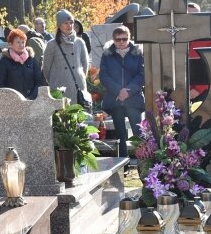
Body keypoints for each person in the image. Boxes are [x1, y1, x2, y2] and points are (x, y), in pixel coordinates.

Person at [99, 25, 145, 157]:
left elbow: (142, 74)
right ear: (113, 40)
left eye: (124, 39)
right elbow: (104, 76)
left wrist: (127, 91)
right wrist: (118, 90)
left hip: (133, 99)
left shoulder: (137, 53)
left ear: (129, 38)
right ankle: (123, 163)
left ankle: (143, 161)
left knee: (138, 132)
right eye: (118, 39)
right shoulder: (107, 54)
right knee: (120, 134)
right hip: (115, 100)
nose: (121, 42)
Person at [42, 9, 91, 107]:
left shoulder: (80, 42)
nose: (69, 26)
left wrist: (80, 76)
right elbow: (46, 68)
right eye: (65, 23)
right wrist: (55, 81)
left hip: (78, 85)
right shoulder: (52, 44)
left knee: (79, 116)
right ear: (59, 26)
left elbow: (85, 64)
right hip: (60, 85)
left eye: (71, 22)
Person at [0, 28, 46, 99]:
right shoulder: (5, 61)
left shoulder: (31, 59)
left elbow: (38, 81)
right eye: (18, 42)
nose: (21, 45)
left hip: (31, 100)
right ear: (10, 44)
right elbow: (1, 84)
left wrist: (31, 97)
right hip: (13, 102)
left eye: (23, 42)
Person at [187, 2, 211, 101]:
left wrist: (198, 89)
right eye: (188, 15)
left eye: (195, 15)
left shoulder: (208, 37)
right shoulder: (175, 35)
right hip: (179, 89)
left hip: (201, 92)